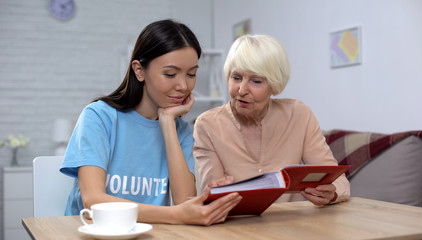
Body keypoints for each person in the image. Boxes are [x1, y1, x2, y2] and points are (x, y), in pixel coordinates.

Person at [60, 19, 241, 225]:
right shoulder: (99, 117)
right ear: (139, 70)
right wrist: (176, 215)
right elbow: (93, 202)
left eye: (191, 74)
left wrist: (167, 123)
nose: (183, 85)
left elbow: (185, 202)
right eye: (170, 74)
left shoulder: (180, 129)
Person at [193, 34, 350, 206]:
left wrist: (330, 194)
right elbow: (213, 193)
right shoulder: (207, 124)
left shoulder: (299, 115)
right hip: (235, 226)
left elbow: (338, 181)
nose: (242, 90)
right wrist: (219, 191)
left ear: (274, 85)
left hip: (291, 227)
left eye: (256, 81)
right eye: (236, 77)